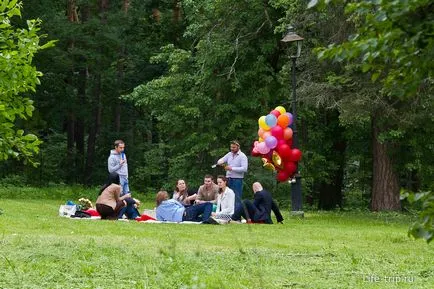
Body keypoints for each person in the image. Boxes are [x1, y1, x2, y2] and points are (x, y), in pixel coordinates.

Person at [216, 140, 248, 207]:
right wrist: (221, 162)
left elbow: (244, 169)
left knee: (237, 198)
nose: (232, 149)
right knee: (226, 196)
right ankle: (227, 214)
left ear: (238, 147)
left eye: (234, 147)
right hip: (228, 179)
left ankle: (236, 215)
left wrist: (231, 168)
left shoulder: (243, 156)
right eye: (231, 147)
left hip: (237, 180)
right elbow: (221, 160)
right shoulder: (229, 154)